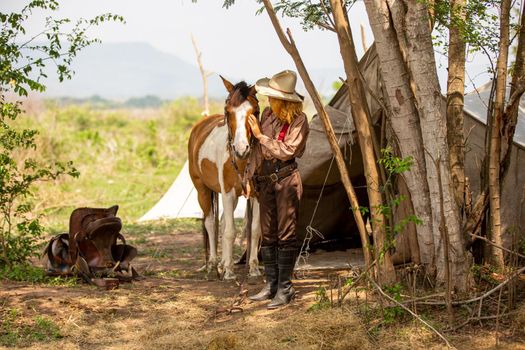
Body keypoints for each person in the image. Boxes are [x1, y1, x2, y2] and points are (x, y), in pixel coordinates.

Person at [244, 70, 309, 309]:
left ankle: (285, 288)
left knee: (285, 234)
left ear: (283, 101)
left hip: (286, 180)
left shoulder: (299, 121)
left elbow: (287, 151)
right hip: (266, 182)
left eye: (272, 97)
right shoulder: (269, 115)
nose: (268, 101)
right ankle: (271, 285)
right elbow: (257, 151)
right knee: (268, 234)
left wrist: (260, 136)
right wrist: (249, 178)